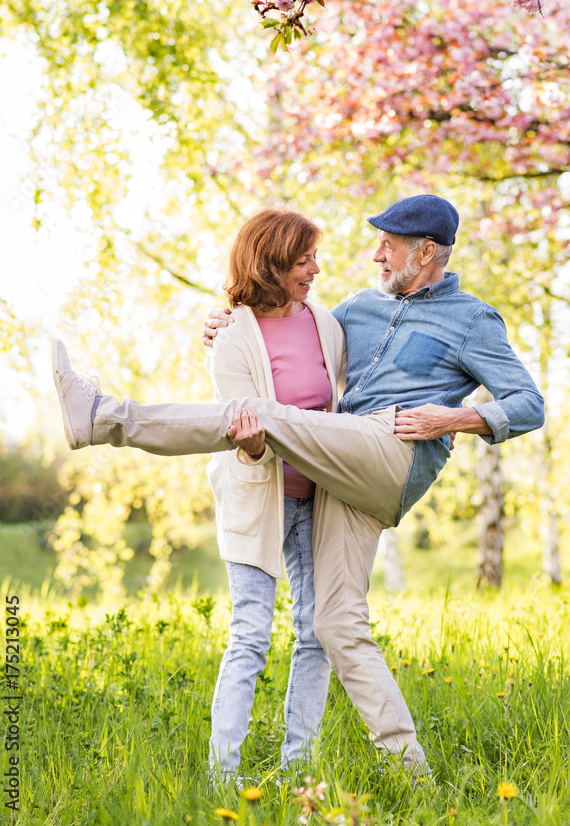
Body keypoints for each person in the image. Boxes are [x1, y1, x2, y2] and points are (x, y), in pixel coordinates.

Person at [52, 193, 545, 773]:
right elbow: (290, 336)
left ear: (426, 252)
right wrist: (227, 323)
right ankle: (411, 770)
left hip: (395, 452)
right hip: (339, 462)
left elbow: (529, 404)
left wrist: (452, 418)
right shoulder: (356, 309)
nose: (376, 256)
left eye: (388, 246)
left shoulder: (472, 320)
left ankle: (109, 419)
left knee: (264, 414)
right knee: (334, 624)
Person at [201, 208, 343, 783]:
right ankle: (223, 776)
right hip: (256, 500)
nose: (315, 267)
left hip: (317, 502)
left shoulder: (326, 323)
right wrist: (257, 448)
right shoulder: (232, 336)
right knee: (251, 634)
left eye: (314, 255)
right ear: (272, 261)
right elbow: (244, 435)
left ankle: (297, 771)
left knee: (318, 633)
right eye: (304, 258)